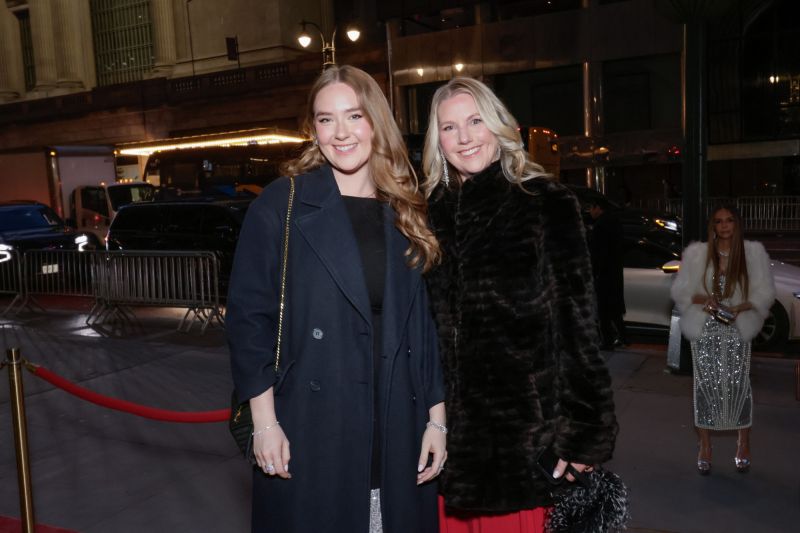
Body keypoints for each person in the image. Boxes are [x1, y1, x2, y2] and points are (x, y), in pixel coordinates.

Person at [227, 65, 446, 533]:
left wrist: (437, 420)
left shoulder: (404, 209)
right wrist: (264, 423)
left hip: (397, 418)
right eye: (326, 119)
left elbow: (422, 330)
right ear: (314, 129)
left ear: (376, 123)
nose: (341, 132)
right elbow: (249, 320)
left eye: (354, 116)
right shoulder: (281, 204)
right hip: (310, 422)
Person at [422, 77, 618, 532]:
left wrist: (584, 435)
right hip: (443, 449)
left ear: (499, 126)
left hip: (525, 446)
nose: (465, 137)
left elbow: (578, 330)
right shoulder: (425, 217)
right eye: (449, 127)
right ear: (437, 141)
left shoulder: (545, 204)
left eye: (475, 121)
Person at [670, 205, 775, 475]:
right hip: (706, 327)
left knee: (739, 385)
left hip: (737, 328)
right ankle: (705, 446)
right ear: (713, 226)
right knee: (705, 386)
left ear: (737, 224)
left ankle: (743, 443)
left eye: (729, 220)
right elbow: (682, 292)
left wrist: (741, 307)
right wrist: (704, 300)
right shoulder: (698, 254)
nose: (724, 225)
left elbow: (764, 293)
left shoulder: (752, 254)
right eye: (719, 221)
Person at [587, 199, 628, 350]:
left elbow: (598, 253)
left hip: (603, 273)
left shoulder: (600, 226)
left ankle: (607, 340)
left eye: (591, 208)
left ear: (598, 208)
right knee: (615, 307)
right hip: (615, 271)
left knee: (603, 308)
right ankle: (623, 337)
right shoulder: (615, 222)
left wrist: (595, 271)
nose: (590, 212)